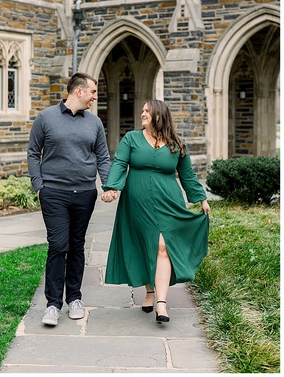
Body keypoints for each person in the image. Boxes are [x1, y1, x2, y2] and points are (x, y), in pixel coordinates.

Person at [101, 99, 210, 323]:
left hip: (168, 201)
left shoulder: (175, 143)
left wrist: (201, 199)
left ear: (159, 115)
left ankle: (161, 303)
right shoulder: (131, 138)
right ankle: (150, 293)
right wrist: (112, 188)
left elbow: (187, 175)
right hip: (138, 202)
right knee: (147, 245)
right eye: (142, 110)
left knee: (163, 246)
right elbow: (120, 163)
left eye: (147, 111)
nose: (142, 114)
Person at [27, 73, 112, 327]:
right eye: (93, 92)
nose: (95, 98)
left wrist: (108, 185)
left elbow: (103, 157)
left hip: (85, 194)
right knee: (57, 245)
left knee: (76, 245)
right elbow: (33, 152)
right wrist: (39, 186)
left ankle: (74, 298)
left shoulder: (94, 122)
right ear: (78, 91)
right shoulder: (45, 118)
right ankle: (53, 304)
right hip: (54, 194)